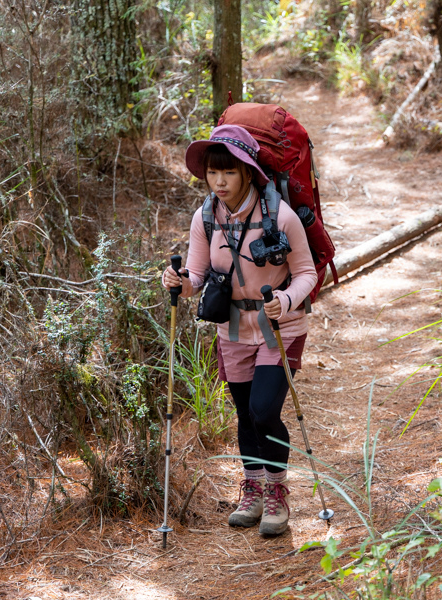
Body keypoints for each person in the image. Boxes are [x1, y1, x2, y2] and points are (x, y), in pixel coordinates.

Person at [161, 125, 317, 536]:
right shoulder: (206, 217)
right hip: (232, 329)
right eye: (213, 173)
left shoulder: (279, 215)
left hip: (279, 328)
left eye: (228, 172)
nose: (220, 182)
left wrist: (284, 301)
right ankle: (253, 491)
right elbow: (196, 275)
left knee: (264, 411)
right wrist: (179, 281)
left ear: (248, 171)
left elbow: (306, 273)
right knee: (245, 417)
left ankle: (277, 493)